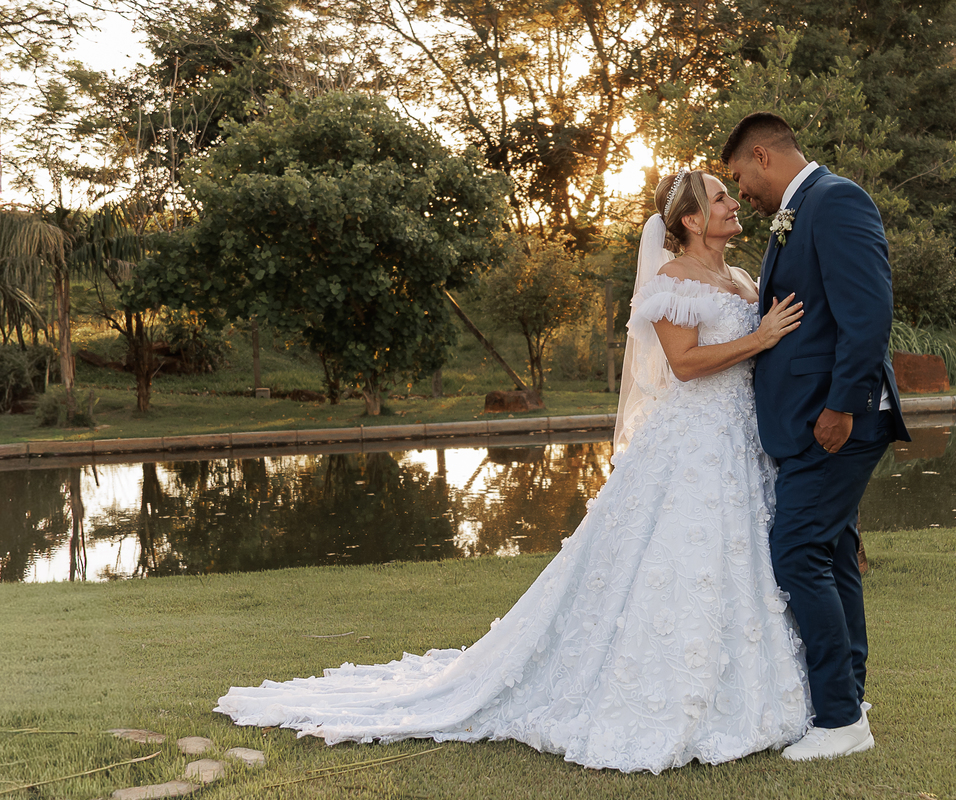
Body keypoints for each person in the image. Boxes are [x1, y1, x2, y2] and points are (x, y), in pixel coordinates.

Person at [216, 168, 811, 773]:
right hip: (689, 446)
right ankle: (667, 693)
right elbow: (683, 365)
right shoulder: (670, 282)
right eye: (719, 197)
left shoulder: (740, 278)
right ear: (690, 220)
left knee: (735, 560)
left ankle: (748, 690)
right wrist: (759, 339)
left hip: (739, 443)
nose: (733, 204)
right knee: (683, 561)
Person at [722, 112, 910, 761]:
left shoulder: (836, 200)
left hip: (835, 422)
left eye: (739, 176)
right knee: (830, 555)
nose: (741, 192)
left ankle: (839, 720)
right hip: (809, 419)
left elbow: (869, 314)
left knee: (796, 551)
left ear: (761, 155)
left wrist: (843, 407)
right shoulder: (797, 211)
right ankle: (848, 696)